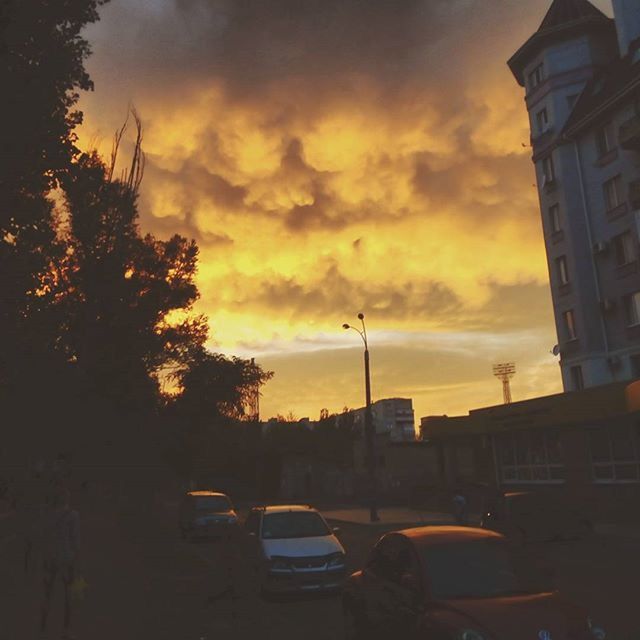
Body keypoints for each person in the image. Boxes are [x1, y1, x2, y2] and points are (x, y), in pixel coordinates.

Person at [39, 488, 80, 639]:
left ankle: (43, 626)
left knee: (47, 593)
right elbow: (76, 541)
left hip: (50, 558)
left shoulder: (48, 515)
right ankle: (66, 630)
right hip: (67, 559)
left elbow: (44, 537)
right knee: (68, 594)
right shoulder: (74, 516)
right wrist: (78, 560)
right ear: (67, 499)